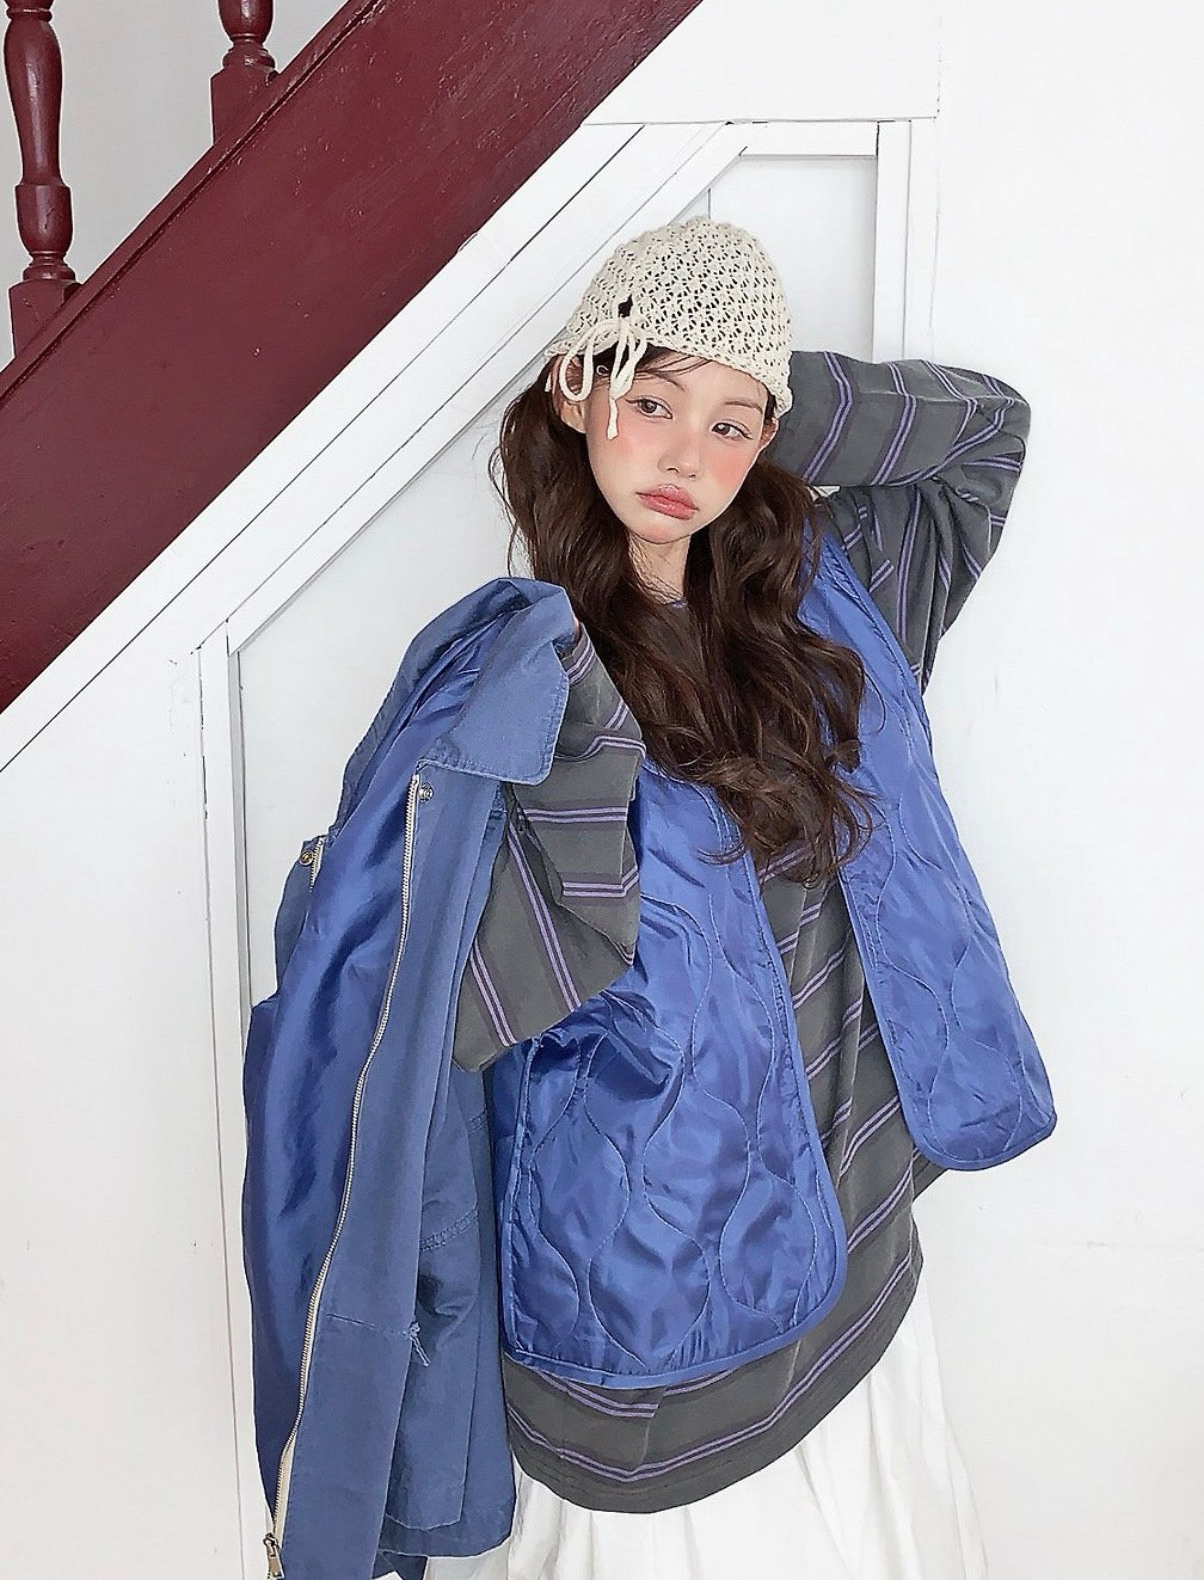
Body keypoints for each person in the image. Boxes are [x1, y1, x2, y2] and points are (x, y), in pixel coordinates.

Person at [422, 215, 1055, 1580]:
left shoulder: (828, 610)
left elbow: (986, 436)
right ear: (575, 389)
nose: (685, 461)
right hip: (658, 1318)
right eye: (651, 402)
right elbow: (465, 1018)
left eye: (728, 427)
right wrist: (724, 386)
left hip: (853, 1260)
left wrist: (764, 389)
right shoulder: (523, 685)